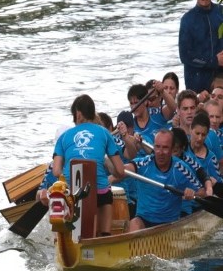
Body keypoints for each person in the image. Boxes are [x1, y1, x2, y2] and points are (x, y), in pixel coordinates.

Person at [52, 94, 125, 236]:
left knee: (63, 190)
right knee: (105, 194)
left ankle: (69, 234)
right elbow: (120, 171)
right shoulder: (105, 133)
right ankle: (104, 235)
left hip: (72, 193)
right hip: (100, 194)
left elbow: (56, 172)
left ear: (78, 114)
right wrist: (107, 166)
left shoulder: (63, 137)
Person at [122, 128, 205, 231]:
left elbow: (202, 192)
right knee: (134, 223)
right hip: (143, 219)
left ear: (171, 149)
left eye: (165, 148)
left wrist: (193, 194)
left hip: (169, 223)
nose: (160, 152)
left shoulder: (181, 169)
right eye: (157, 147)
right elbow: (121, 171)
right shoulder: (143, 163)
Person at [178, 0, 223, 93]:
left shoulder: (221, 12)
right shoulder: (187, 20)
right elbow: (185, 55)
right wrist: (213, 61)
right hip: (197, 81)